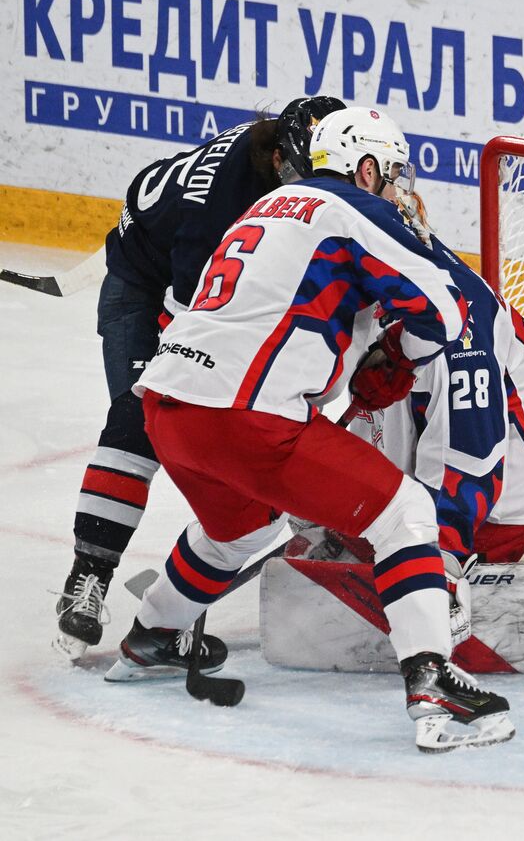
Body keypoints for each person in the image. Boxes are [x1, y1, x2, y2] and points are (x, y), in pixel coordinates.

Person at [105, 106, 515, 752]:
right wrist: (401, 354)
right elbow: (445, 307)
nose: (399, 192)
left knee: (239, 530)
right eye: (394, 175)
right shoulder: (352, 209)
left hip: (168, 403)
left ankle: (149, 637)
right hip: (246, 414)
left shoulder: (261, 211)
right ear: (368, 167)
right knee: (405, 511)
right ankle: (433, 684)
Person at [53, 96, 346, 661]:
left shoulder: (285, 163)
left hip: (199, 278)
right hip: (145, 291)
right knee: (146, 416)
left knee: (232, 424)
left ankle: (186, 593)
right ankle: (87, 576)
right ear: (278, 157)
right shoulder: (221, 203)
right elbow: (197, 328)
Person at [325, 201, 524, 677]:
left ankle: (500, 591)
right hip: (452, 454)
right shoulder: (390, 289)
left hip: (504, 498)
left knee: (386, 543)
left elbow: (472, 457)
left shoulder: (453, 322)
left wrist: (439, 560)